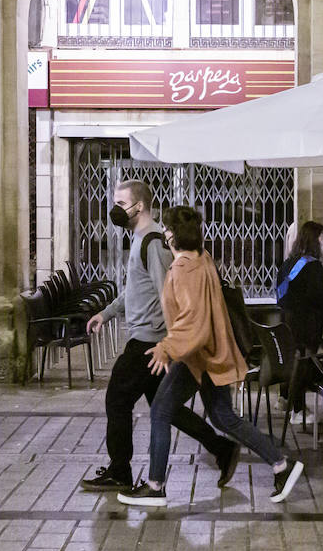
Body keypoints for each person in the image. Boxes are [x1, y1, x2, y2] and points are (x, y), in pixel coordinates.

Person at [118, 205, 305, 508]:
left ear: (172, 234)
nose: (163, 231)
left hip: (196, 356)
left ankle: (155, 486)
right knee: (223, 417)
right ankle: (281, 465)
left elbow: (193, 321)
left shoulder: (183, 269)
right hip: (209, 353)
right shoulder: (202, 257)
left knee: (161, 411)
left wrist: (167, 347)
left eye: (166, 228)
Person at [80, 181, 236, 494]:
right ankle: (222, 448)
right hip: (150, 338)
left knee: (117, 399)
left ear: (139, 206)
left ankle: (120, 471)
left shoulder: (152, 242)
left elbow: (170, 293)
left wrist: (171, 343)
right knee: (165, 408)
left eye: (121, 203)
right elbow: (135, 289)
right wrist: (106, 313)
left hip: (148, 341)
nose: (115, 209)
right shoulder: (141, 239)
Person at [276, 220, 323, 424]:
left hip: (287, 321)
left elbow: (282, 293)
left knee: (293, 363)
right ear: (314, 240)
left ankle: (287, 400)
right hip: (306, 324)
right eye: (322, 237)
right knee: (303, 364)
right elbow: (317, 295)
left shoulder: (289, 263)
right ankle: (298, 410)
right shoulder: (313, 267)